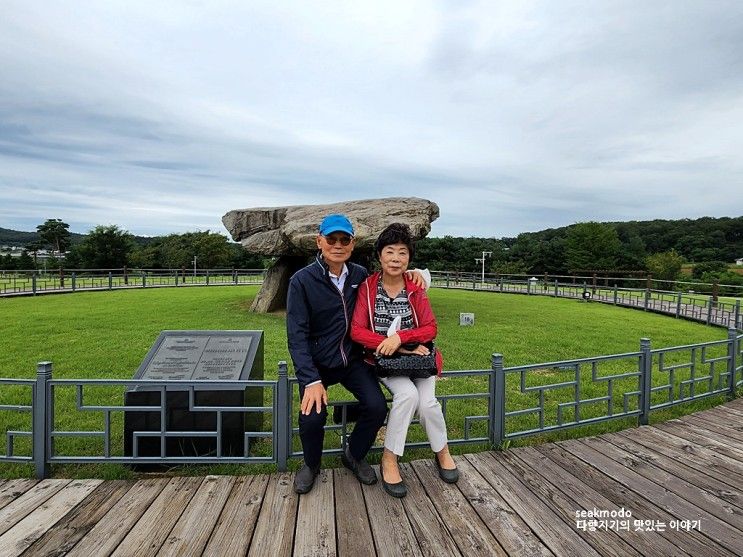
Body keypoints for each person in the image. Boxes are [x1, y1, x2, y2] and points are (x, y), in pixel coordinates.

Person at [286, 214, 427, 494]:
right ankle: (311, 464)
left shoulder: (361, 276)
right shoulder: (301, 281)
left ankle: (354, 454)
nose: (338, 245)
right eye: (331, 239)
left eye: (344, 239)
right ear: (319, 241)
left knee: (375, 407)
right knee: (312, 415)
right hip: (318, 363)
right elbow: (296, 336)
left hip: (352, 359)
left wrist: (416, 273)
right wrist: (310, 379)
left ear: (352, 244)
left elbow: (392, 276)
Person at [351, 223, 458, 498]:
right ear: (379, 256)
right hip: (388, 362)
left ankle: (442, 450)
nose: (396, 258)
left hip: (420, 361)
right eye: (390, 252)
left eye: (402, 253)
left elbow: (431, 328)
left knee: (429, 403)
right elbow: (358, 331)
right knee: (408, 396)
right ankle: (389, 458)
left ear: (409, 258)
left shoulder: (416, 286)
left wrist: (401, 338)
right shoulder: (367, 287)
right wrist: (396, 348)